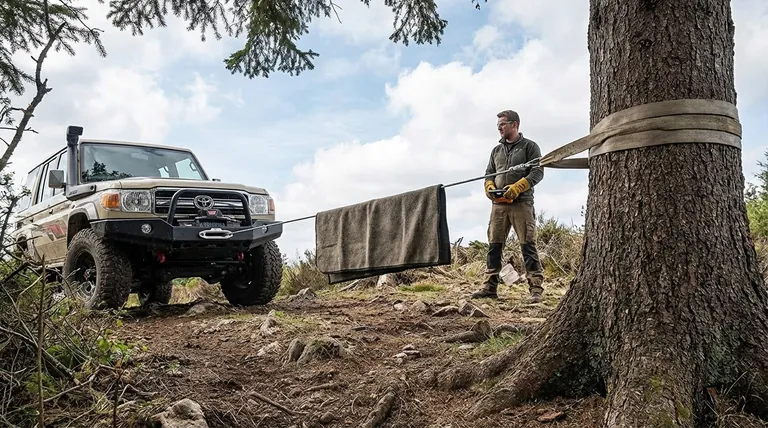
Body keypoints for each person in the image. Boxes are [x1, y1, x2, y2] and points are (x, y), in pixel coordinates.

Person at [471, 109, 545, 303]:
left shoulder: (530, 147)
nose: (499, 128)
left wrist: (519, 186)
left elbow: (537, 173)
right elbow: (489, 172)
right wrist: (489, 186)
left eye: (502, 124)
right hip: (498, 205)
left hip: (522, 204)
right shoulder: (496, 151)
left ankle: (535, 289)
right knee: (494, 246)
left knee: (528, 245)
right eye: (498, 125)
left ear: (514, 124)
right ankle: (489, 287)